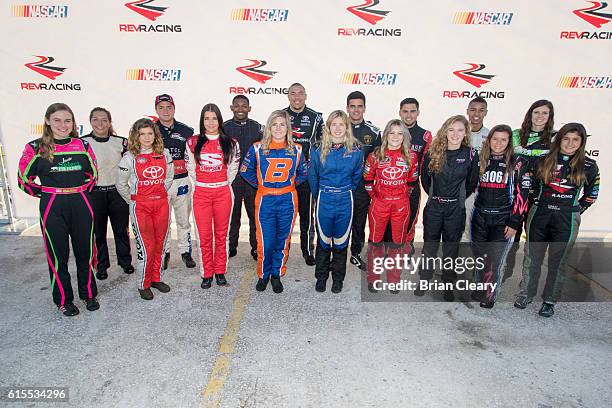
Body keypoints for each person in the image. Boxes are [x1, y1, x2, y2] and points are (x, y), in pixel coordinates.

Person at [17, 103, 99, 316]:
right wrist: (46, 193)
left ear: (73, 123)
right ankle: (64, 299)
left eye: (67, 120)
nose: (63, 125)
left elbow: (93, 175)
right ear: (47, 121)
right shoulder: (35, 148)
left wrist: (79, 191)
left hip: (81, 201)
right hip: (53, 205)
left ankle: (88, 293)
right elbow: (23, 179)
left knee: (86, 251)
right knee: (57, 255)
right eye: (57, 120)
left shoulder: (83, 146)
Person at [514, 123, 599, 317]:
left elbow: (592, 194)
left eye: (575, 140)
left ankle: (549, 301)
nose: (570, 143)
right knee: (531, 257)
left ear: (581, 142)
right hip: (540, 214)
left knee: (558, 262)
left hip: (567, 217)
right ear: (559, 139)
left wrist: (575, 210)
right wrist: (537, 203)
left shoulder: (589, 165)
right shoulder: (543, 160)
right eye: (566, 138)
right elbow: (531, 185)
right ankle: (525, 293)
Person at [240, 110, 307, 293]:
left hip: (288, 200)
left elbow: (303, 174)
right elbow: (245, 171)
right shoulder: (257, 148)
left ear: (288, 128)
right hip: (265, 200)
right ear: (269, 127)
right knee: (265, 241)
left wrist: (288, 185)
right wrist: (262, 185)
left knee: (282, 241)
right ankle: (264, 274)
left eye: (282, 124)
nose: (278, 128)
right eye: (274, 124)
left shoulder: (297, 149)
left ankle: (277, 274)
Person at [416, 115, 479, 301]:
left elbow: (471, 182)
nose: (455, 134)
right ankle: (424, 279)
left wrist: (455, 199)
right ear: (445, 131)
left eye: (460, 130)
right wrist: (437, 197)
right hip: (434, 207)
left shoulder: (470, 154)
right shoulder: (433, 152)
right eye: (451, 130)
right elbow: (425, 180)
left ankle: (448, 284)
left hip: (455, 210)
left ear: (465, 133)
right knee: (429, 247)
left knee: (451, 249)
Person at [470, 125, 530, 308]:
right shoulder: (479, 158)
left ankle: (489, 295)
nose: (498, 143)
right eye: (495, 139)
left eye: (503, 139)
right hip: (479, 216)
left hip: (503, 219)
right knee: (479, 256)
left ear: (509, 142)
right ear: (489, 140)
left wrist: (514, 222)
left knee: (495, 260)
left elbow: (523, 194)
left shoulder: (518, 162)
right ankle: (479, 288)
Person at [116, 118, 174, 300]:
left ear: (155, 135)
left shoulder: (164, 153)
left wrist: (159, 193)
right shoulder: (129, 157)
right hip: (141, 206)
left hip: (162, 204)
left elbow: (169, 178)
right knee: (146, 247)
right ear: (136, 136)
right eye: (142, 134)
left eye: (150, 133)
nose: (147, 137)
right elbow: (121, 185)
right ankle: (143, 283)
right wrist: (133, 201)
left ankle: (156, 278)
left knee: (161, 244)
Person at [309, 110, 363, 293]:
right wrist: (320, 196)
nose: (338, 128)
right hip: (324, 198)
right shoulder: (317, 149)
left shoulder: (356, 150)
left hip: (345, 200)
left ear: (347, 127)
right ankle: (321, 277)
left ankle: (338, 279)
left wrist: (343, 191)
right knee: (323, 240)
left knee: (341, 242)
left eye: (342, 124)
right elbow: (313, 176)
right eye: (334, 124)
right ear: (328, 127)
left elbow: (356, 177)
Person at [186, 104, 240, 289]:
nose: (210, 122)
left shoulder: (231, 142)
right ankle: (206, 273)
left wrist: (219, 182)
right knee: (203, 236)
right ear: (202, 120)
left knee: (222, 235)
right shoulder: (192, 142)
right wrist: (205, 182)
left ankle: (220, 271)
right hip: (201, 193)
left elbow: (232, 169)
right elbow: (191, 170)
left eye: (214, 118)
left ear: (220, 120)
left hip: (223, 192)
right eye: (206, 118)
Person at [363, 119, 418, 293]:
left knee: (398, 245)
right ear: (385, 135)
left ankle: (394, 280)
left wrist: (398, 198)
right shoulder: (375, 155)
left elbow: (411, 183)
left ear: (405, 136)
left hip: (401, 205)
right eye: (392, 133)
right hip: (379, 204)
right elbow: (367, 180)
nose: (395, 137)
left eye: (400, 133)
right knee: (376, 243)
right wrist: (378, 197)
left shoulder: (411, 156)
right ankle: (374, 279)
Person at [504, 100, 555, 280]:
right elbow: (517, 153)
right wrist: (540, 154)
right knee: (511, 239)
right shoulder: (517, 134)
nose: (540, 116)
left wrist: (531, 154)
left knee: (533, 244)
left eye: (544, 113)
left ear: (550, 117)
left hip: (540, 195)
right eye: (536, 112)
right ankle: (505, 273)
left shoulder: (554, 138)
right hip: (517, 193)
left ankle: (528, 283)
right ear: (530, 114)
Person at [82, 107, 134, 280]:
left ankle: (125, 262)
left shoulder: (121, 142)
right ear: (90, 121)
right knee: (98, 233)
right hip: (94, 194)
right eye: (95, 119)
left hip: (117, 192)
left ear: (110, 122)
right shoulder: (82, 143)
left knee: (122, 230)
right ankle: (101, 266)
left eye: (104, 119)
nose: (100, 123)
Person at [283, 83, 323, 266]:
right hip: (285, 176)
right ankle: (283, 249)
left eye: (300, 94)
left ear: (305, 96)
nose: (297, 97)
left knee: (307, 216)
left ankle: (308, 250)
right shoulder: (280, 116)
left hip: (306, 176)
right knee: (285, 216)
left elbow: (322, 146)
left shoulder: (316, 118)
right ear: (288, 96)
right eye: (293, 94)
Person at [155, 94, 196, 269]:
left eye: (169, 107)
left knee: (183, 220)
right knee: (162, 222)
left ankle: (185, 252)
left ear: (174, 108)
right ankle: (164, 252)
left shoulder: (187, 131)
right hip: (160, 183)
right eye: (161, 107)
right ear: (156, 109)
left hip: (182, 181)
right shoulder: (150, 129)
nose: (165, 110)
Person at [222, 95, 263, 261]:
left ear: (249, 108)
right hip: (232, 180)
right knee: (233, 215)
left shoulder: (258, 128)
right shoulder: (223, 128)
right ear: (232, 108)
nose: (240, 108)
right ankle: (231, 247)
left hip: (252, 180)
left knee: (255, 216)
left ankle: (255, 247)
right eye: (237, 105)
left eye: (244, 105)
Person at [345, 91, 381, 271]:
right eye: (352, 106)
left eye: (360, 106)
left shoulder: (374, 132)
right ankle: (337, 253)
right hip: (341, 185)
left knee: (359, 221)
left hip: (361, 186)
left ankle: (356, 254)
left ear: (364, 108)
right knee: (341, 220)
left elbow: (379, 160)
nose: (356, 110)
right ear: (347, 108)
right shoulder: (338, 128)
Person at [399, 98, 433, 249]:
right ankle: (390, 247)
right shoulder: (391, 132)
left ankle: (407, 246)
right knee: (390, 218)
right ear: (400, 112)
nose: (408, 115)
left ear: (418, 113)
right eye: (405, 111)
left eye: (412, 111)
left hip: (412, 186)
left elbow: (427, 166)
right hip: (391, 185)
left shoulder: (425, 136)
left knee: (411, 217)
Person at [463, 97, 490, 240]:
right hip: (463, 187)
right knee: (462, 225)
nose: (476, 114)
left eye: (481, 110)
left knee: (479, 227)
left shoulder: (490, 135)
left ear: (486, 112)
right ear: (467, 111)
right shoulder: (459, 132)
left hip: (482, 188)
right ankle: (460, 258)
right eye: (473, 109)